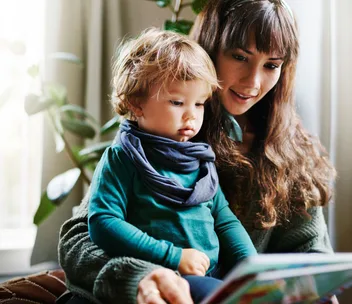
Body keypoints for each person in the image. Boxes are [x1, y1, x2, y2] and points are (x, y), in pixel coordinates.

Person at [58, 0, 337, 303]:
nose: (253, 82)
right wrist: (140, 277)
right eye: (240, 57)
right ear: (210, 47)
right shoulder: (157, 131)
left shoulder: (291, 152)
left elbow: (312, 255)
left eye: (271, 65)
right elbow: (79, 239)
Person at [86, 27, 257, 302]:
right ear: (136, 103)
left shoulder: (201, 161)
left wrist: (252, 267)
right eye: (177, 102)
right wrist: (173, 256)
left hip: (211, 276)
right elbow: (103, 222)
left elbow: (225, 223)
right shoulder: (123, 157)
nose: (192, 116)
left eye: (199, 104)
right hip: (163, 280)